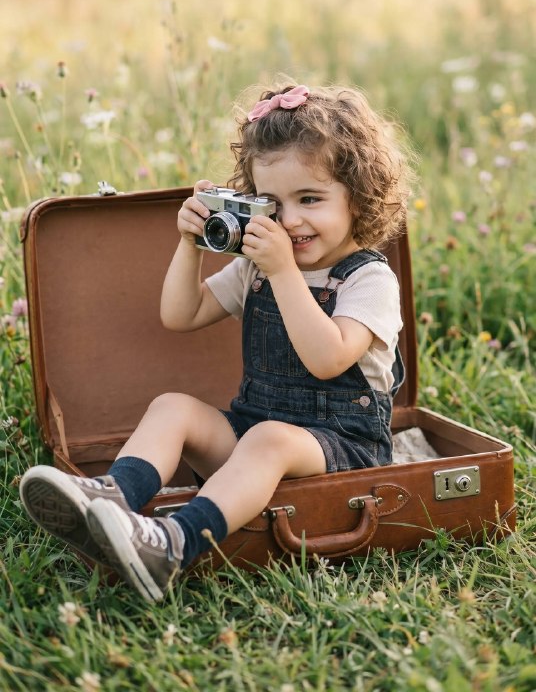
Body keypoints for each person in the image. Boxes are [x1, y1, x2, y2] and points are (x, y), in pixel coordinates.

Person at [20, 82, 413, 602]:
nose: (290, 220)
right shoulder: (257, 267)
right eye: (271, 202)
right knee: (174, 407)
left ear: (357, 197)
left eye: (310, 199)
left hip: (344, 451)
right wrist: (189, 245)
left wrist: (281, 272)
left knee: (271, 438)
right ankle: (111, 502)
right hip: (251, 438)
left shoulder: (370, 280)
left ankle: (172, 543)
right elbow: (180, 315)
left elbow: (326, 358)